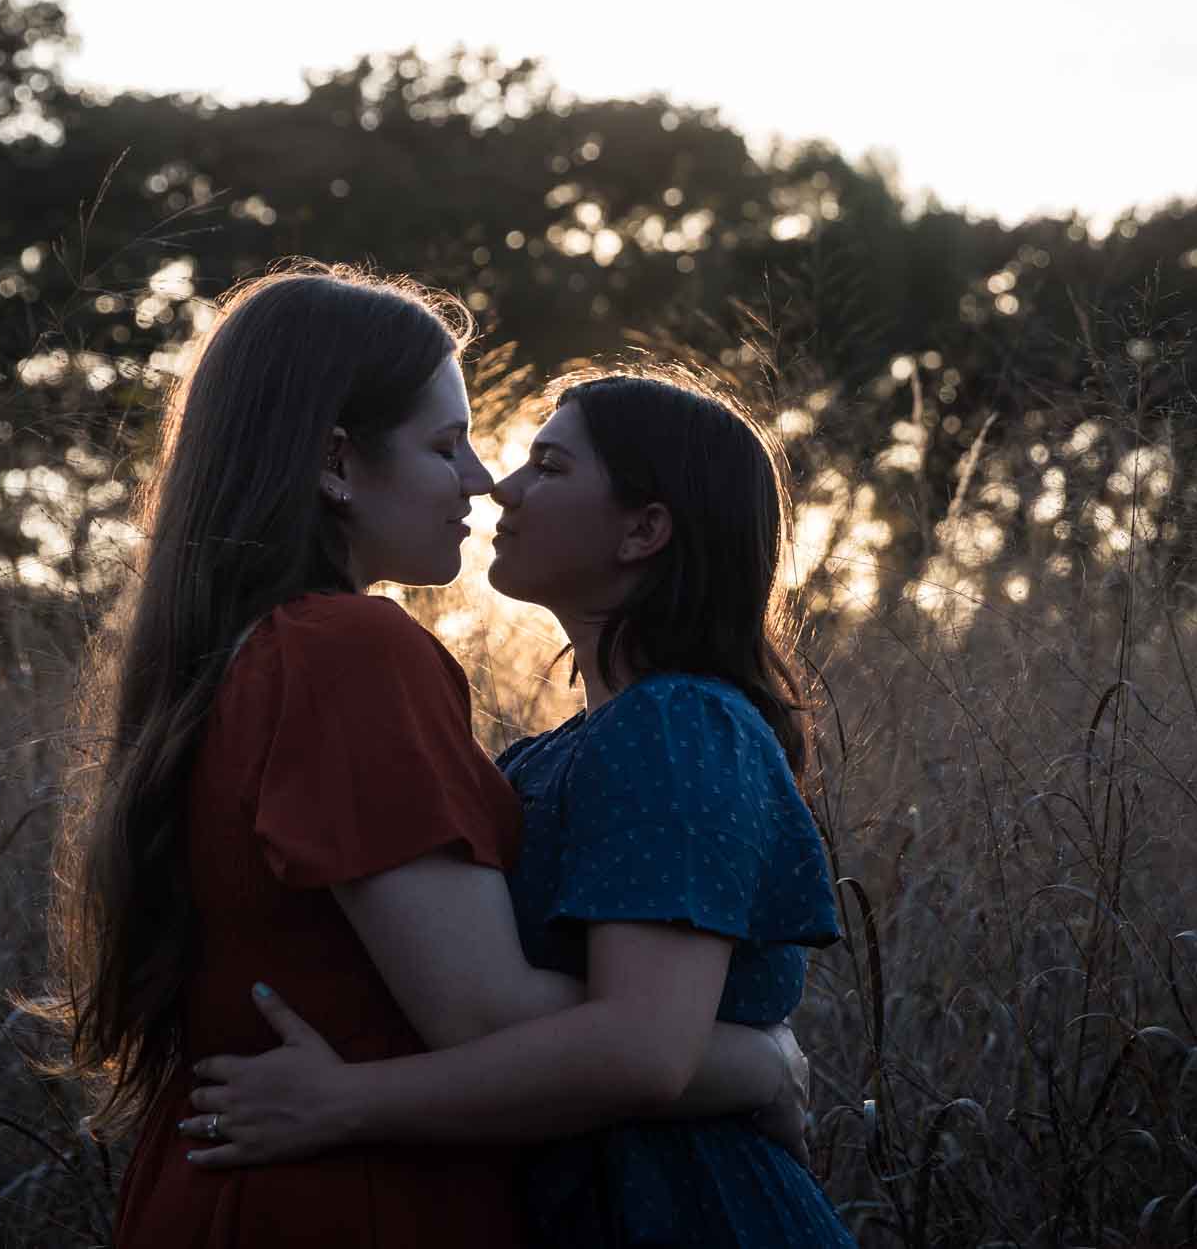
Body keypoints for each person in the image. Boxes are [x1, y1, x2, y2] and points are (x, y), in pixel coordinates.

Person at [28, 266, 809, 1248]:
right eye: (447, 445)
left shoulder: (244, 656)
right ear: (335, 462)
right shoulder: (347, 652)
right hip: (346, 1201)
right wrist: (758, 1062)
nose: (481, 480)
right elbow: (486, 1014)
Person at [182, 370, 857, 1248]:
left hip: (687, 1206)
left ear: (644, 528)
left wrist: (348, 1101)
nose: (502, 484)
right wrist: (761, 1061)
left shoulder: (679, 725)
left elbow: (646, 1049)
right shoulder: (546, 754)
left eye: (549, 465)